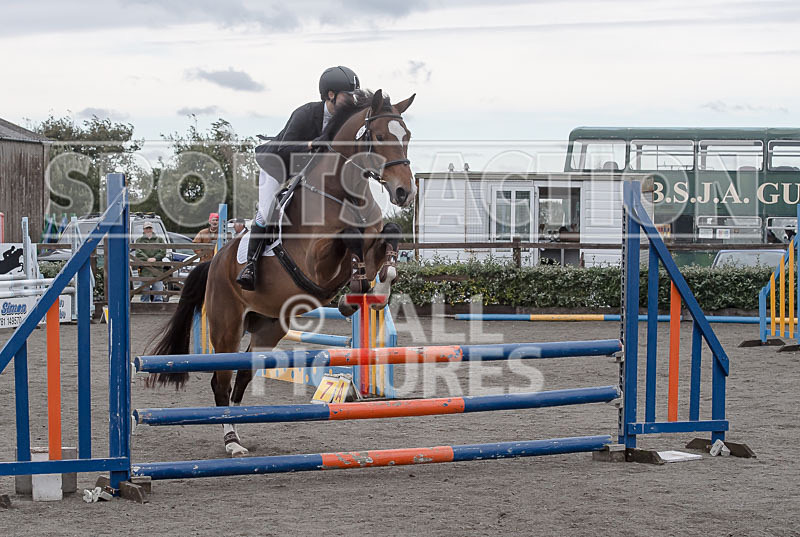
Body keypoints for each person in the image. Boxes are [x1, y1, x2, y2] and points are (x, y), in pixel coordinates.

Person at [236, 65, 361, 291]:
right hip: (277, 167)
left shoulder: (345, 120)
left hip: (305, 172)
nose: (352, 100)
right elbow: (284, 148)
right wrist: (312, 144)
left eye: (355, 96)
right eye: (348, 95)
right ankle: (251, 266)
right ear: (330, 94)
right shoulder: (305, 113)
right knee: (267, 213)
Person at [134, 222, 166, 303]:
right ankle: (144, 308)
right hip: (144, 269)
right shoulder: (139, 240)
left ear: (152, 229)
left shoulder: (160, 239)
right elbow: (138, 252)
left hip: (157, 269)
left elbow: (163, 251)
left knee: (158, 292)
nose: (148, 230)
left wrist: (155, 258)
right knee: (144, 293)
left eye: (150, 228)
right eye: (146, 228)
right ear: (144, 230)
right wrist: (147, 259)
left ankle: (158, 307)